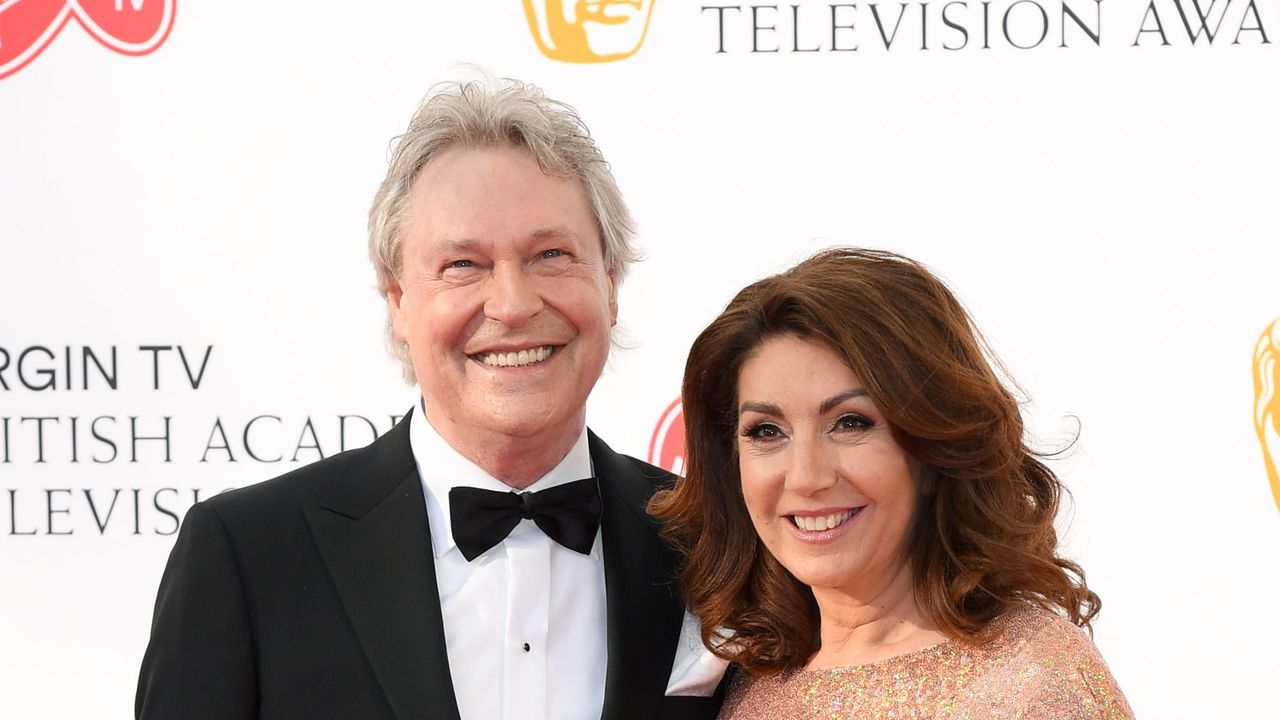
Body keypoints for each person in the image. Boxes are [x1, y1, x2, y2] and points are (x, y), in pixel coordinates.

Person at [136, 77, 726, 720]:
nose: (512, 304)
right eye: (462, 265)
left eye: (551, 254)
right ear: (398, 304)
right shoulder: (248, 556)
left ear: (611, 285)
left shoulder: (714, 544)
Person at [651, 248, 1133, 719]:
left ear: (933, 447)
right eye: (766, 431)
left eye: (850, 423)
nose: (805, 476)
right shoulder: (742, 684)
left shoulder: (1034, 680)